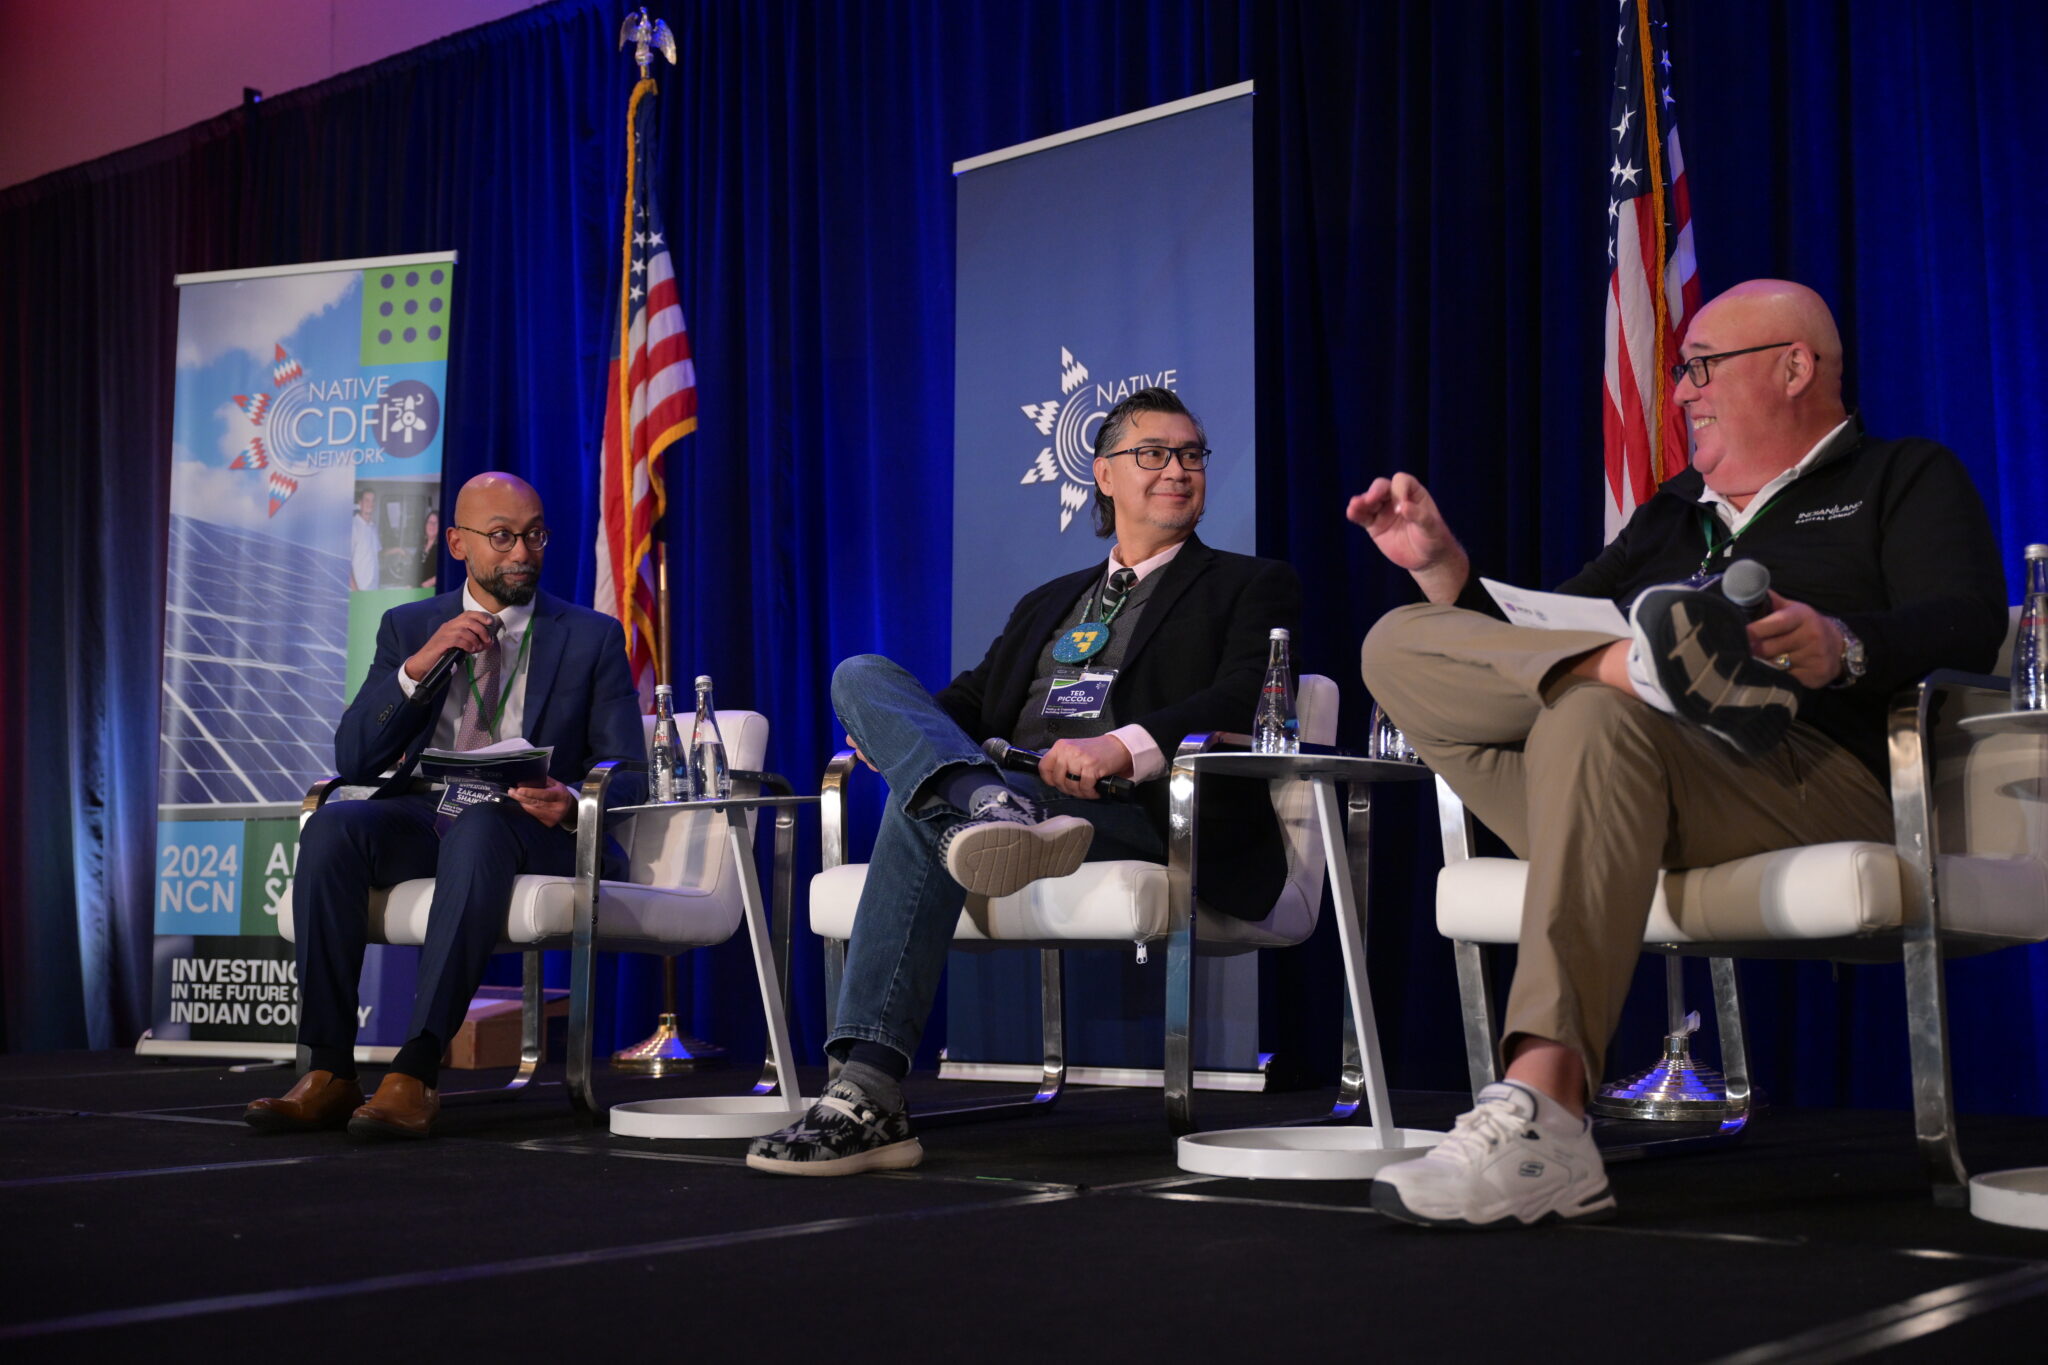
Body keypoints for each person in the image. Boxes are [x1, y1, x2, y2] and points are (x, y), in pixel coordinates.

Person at [1349, 279, 2008, 1228]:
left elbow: (1967, 618)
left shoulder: (1901, 476)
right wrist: (1444, 568)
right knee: (1398, 642)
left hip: (1804, 775)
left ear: (1794, 367)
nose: (1684, 392)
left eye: (1702, 367)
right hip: (1620, 789)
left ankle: (1546, 1111)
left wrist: (1844, 642)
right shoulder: (1670, 513)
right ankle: (1645, 668)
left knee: (1584, 715)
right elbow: (1541, 633)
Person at [747, 387, 1302, 1176]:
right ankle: (988, 804)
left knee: (922, 805)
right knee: (860, 673)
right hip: (1017, 788)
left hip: (1135, 806)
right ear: (1105, 475)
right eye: (1154, 454)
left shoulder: (1249, 583)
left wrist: (1123, 745)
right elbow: (970, 700)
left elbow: (1247, 692)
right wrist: (892, 727)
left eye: (1190, 455)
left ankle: (866, 1088)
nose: (1177, 470)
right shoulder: (1050, 600)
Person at [245, 472, 646, 1140]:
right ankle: (329, 1069)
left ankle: (417, 1068)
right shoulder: (410, 626)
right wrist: (419, 665)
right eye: (502, 537)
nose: (523, 551)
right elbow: (354, 759)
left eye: (535, 534)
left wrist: (571, 802)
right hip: (428, 811)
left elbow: (628, 776)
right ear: (458, 542)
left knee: (484, 822)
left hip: (526, 823)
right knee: (334, 826)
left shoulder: (591, 637)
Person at [350, 485, 381, 590]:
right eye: (367, 500)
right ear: (360, 503)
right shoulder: (353, 526)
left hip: (374, 588)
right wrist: (356, 591)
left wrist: (397, 550)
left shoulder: (374, 527)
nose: (370, 504)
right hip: (360, 589)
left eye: (372, 501)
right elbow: (345, 564)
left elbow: (377, 554)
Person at [417, 504, 440, 589]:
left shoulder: (441, 548)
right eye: (430, 522)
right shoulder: (421, 547)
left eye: (436, 523)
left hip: (431, 590)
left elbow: (445, 572)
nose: (432, 525)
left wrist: (427, 584)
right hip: (418, 589)